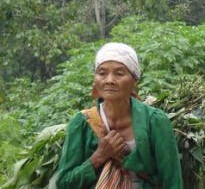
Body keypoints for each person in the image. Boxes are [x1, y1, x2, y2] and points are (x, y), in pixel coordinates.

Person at [56, 42, 183, 189]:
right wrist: (99, 156)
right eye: (102, 73)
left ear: (134, 80)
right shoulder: (82, 123)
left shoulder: (155, 121)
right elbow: (64, 183)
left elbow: (172, 182)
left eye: (119, 73)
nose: (109, 80)